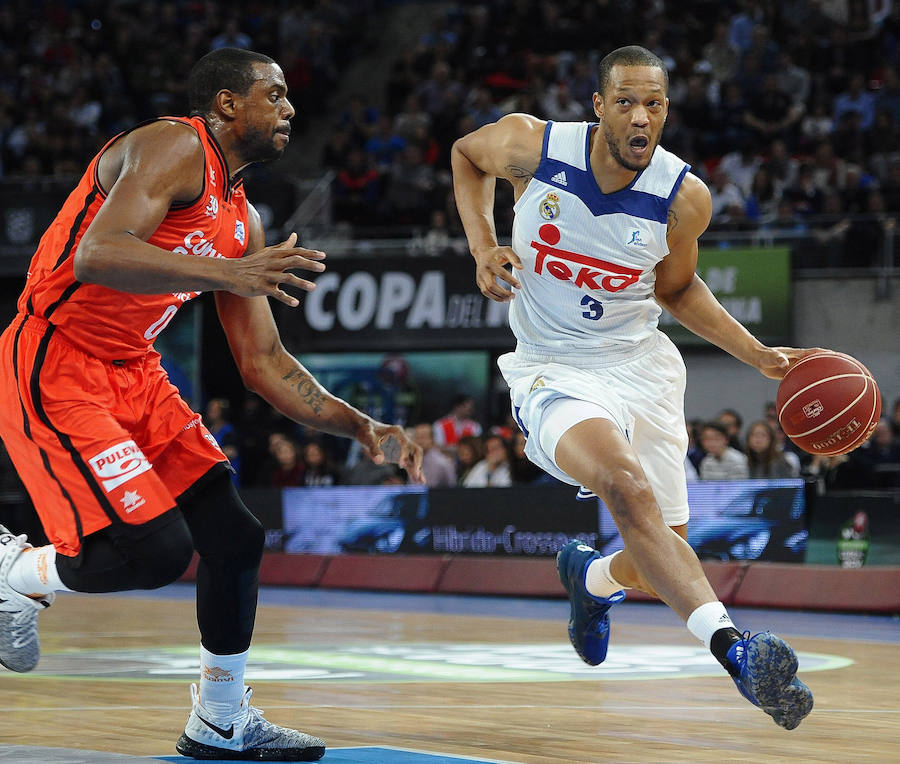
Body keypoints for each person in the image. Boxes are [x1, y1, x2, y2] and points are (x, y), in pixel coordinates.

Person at [0, 48, 423, 762]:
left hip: (137, 374)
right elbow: (98, 254)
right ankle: (15, 574)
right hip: (58, 361)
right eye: (275, 95)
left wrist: (359, 423)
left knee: (235, 538)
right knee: (156, 552)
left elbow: (262, 363)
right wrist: (227, 271)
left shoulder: (244, 220)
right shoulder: (172, 144)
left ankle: (219, 719)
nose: (290, 109)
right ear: (228, 104)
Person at [450, 45, 815, 730]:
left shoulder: (684, 198)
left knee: (654, 559)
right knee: (624, 485)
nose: (639, 116)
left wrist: (757, 353)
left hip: (641, 368)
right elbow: (466, 157)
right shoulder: (532, 145)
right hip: (553, 368)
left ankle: (588, 580)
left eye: (652, 103)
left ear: (667, 110)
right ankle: (735, 649)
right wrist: (482, 244)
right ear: (598, 106)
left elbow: (676, 289)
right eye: (625, 101)